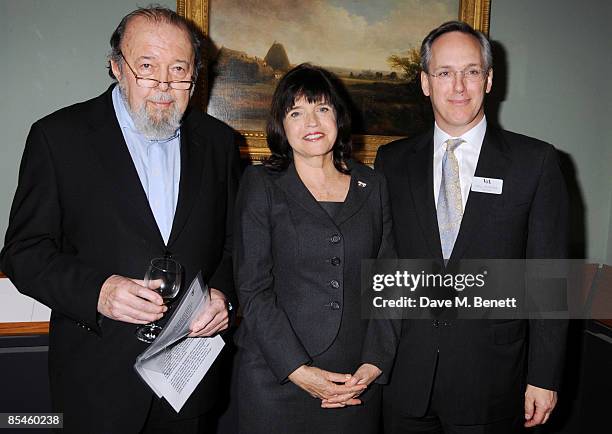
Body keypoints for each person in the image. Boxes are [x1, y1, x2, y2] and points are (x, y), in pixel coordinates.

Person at [0, 7, 240, 434]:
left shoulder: (220, 143)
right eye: (147, 66)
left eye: (179, 69)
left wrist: (222, 295)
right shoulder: (58, 138)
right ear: (116, 66)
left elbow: (231, 246)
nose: (164, 85)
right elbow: (23, 252)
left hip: (189, 383)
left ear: (195, 75)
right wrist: (99, 291)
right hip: (96, 384)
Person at [375, 21, 569, 433]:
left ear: (489, 79)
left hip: (494, 382)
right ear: (426, 82)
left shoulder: (535, 162)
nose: (458, 86)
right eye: (445, 73)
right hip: (405, 381)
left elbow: (550, 279)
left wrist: (544, 377)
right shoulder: (391, 163)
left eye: (471, 71)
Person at [232, 63, 397, 434]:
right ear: (281, 124)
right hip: (277, 380)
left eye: (322, 108)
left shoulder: (373, 186)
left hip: (355, 382)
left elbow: (390, 285)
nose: (312, 121)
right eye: (297, 111)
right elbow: (254, 289)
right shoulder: (261, 184)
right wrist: (298, 371)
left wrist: (374, 364)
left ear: (338, 116)